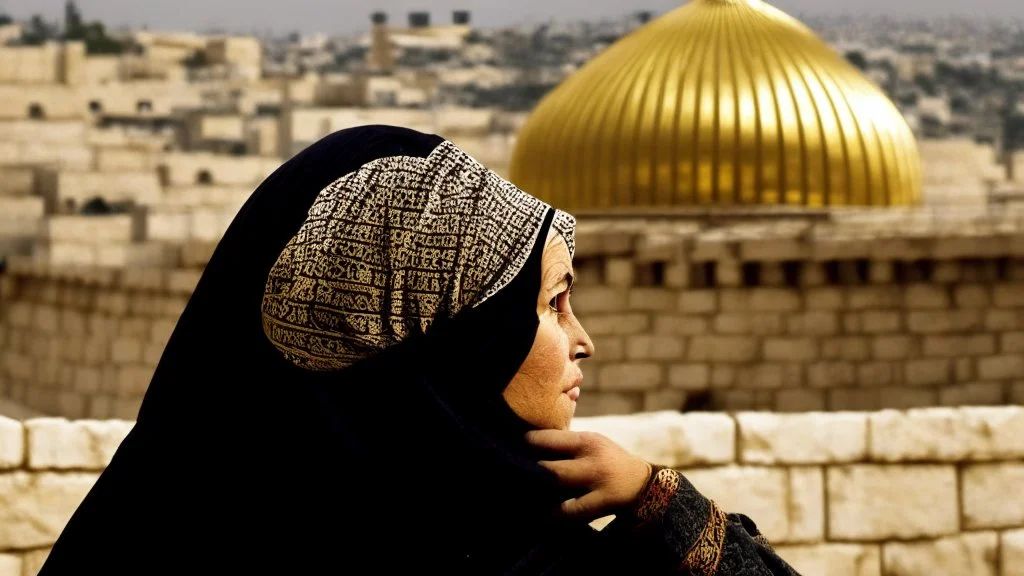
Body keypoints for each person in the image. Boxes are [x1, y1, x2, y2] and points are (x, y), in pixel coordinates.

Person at [39, 125, 801, 575]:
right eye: (552, 304)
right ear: (463, 339)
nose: (583, 341)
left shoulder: (160, 527)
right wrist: (660, 505)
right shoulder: (512, 556)